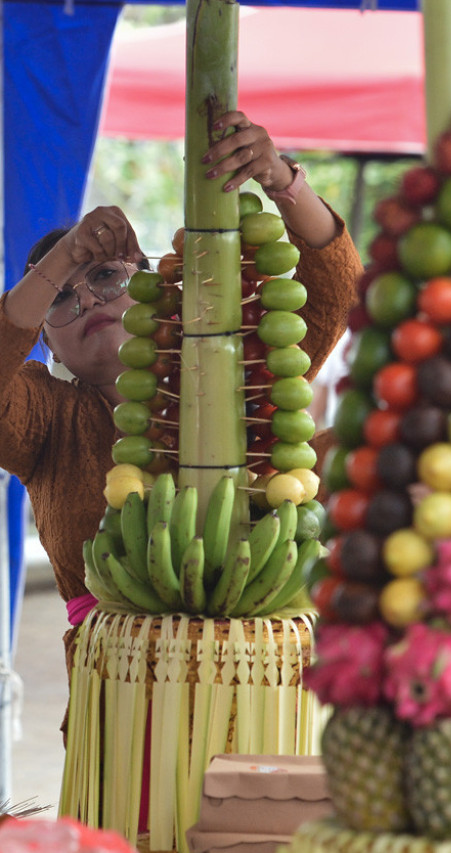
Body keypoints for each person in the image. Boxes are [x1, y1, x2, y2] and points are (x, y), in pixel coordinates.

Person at [0, 111, 362, 738]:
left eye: (107, 276)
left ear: (146, 286)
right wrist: (58, 260)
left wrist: (278, 177)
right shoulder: (44, 417)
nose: (88, 299)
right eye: (62, 297)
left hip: (265, 696)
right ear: (47, 347)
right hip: (119, 713)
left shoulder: (242, 375)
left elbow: (332, 287)